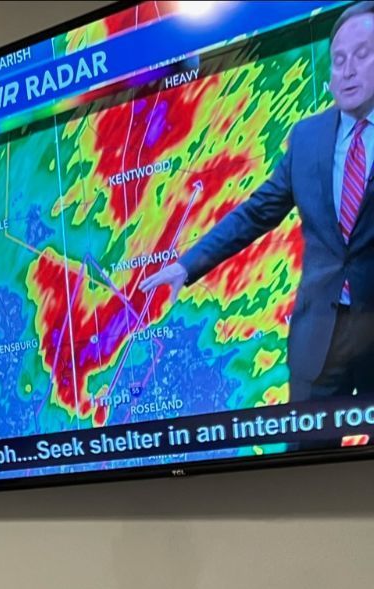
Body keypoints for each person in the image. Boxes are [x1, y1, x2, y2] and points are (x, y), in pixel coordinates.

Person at [141, 1, 374, 400]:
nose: (348, 70)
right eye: (338, 59)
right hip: (319, 342)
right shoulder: (307, 139)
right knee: (306, 458)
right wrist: (187, 264)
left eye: (362, 54)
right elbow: (256, 212)